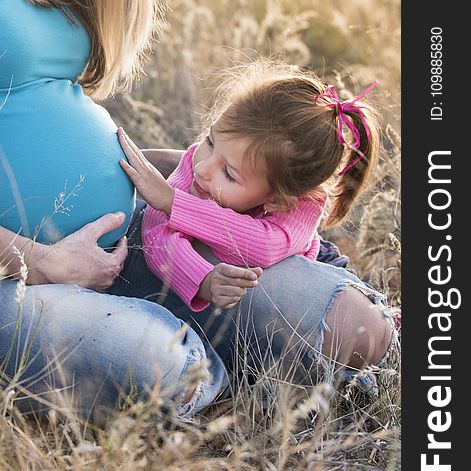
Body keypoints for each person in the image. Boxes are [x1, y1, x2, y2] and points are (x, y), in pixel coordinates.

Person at [0, 0, 395, 425]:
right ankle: (221, 390)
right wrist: (39, 261)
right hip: (15, 274)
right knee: (167, 369)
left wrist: (160, 180)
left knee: (355, 330)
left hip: (133, 231)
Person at [115, 62, 380, 314]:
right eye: (209, 141)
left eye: (228, 173)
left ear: (278, 200)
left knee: (370, 320)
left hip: (314, 264)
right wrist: (202, 278)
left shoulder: (302, 204)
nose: (202, 168)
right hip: (246, 283)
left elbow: (263, 246)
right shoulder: (198, 166)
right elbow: (156, 234)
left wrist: (173, 203)